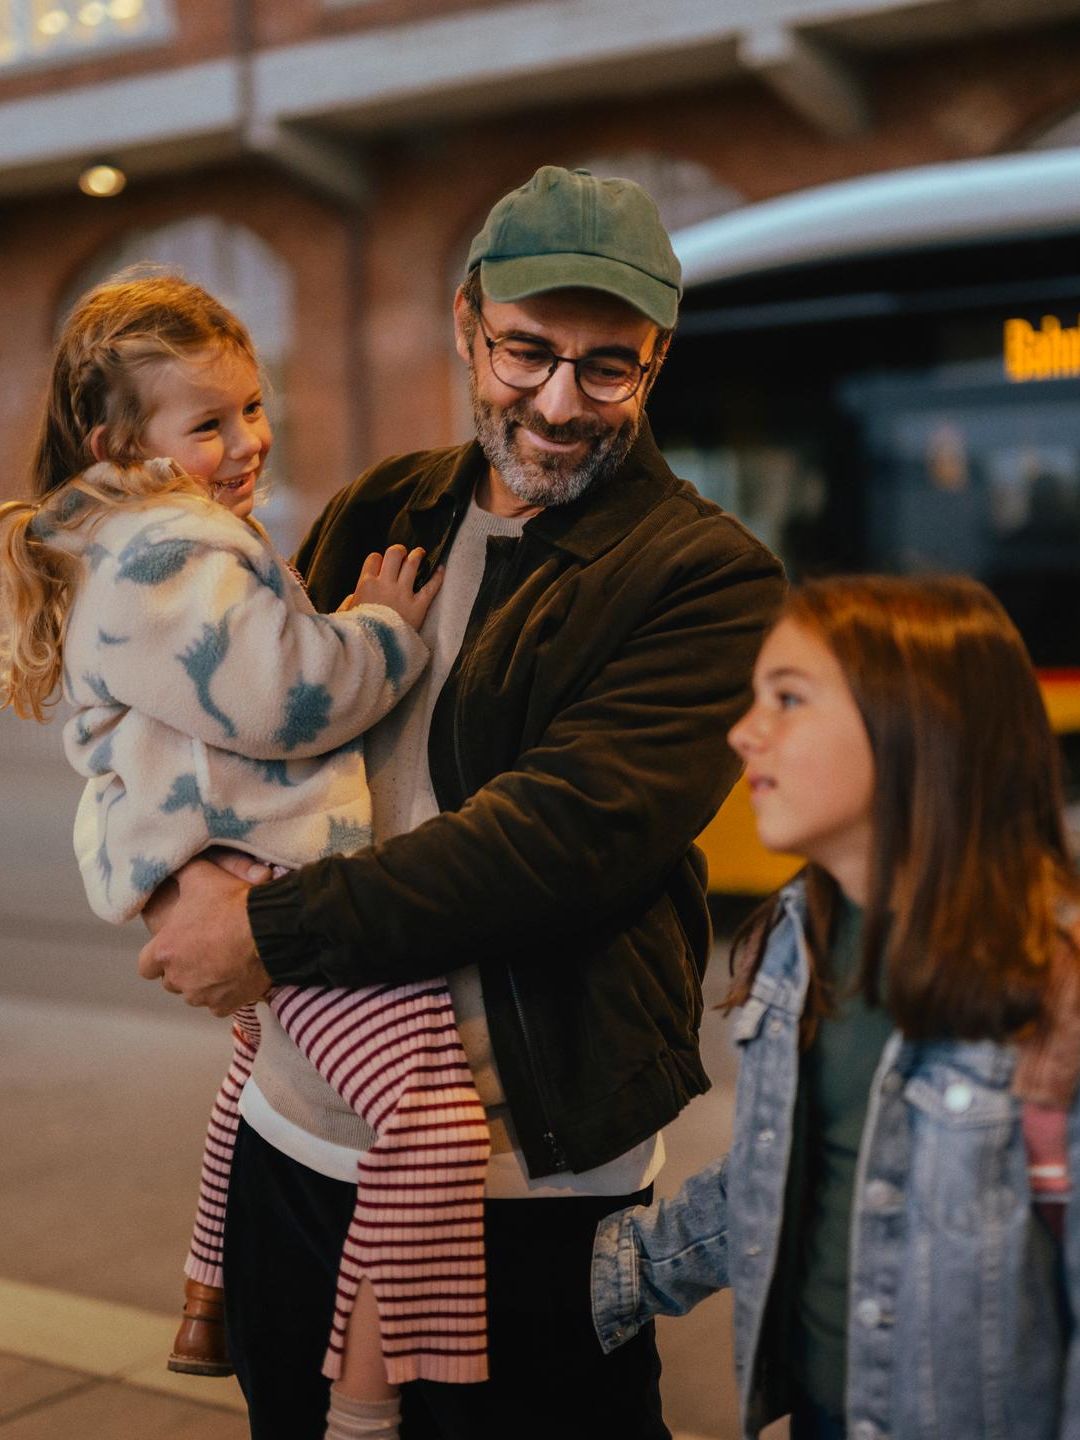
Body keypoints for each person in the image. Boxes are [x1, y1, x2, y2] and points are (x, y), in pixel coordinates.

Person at [138, 165, 786, 1439]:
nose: (558, 403)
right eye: (526, 353)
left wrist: (264, 934)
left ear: (656, 360)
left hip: (521, 1181)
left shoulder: (705, 578)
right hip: (299, 1139)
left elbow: (558, 843)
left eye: (609, 368)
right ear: (465, 324)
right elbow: (250, 729)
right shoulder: (387, 506)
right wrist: (179, 871)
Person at [0, 274, 495, 1440]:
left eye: (253, 408)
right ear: (122, 441)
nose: (245, 443)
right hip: (276, 880)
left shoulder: (124, 542)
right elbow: (294, 696)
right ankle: (369, 1404)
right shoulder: (170, 552)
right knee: (432, 1121)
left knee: (248, 1074)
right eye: (207, 423)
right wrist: (381, 626)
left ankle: (206, 1300)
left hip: (230, 865)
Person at [591, 574, 1080, 1440]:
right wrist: (620, 1273)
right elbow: (782, 1172)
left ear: (915, 722)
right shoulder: (801, 934)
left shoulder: (1052, 987)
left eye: (788, 699)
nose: (745, 733)